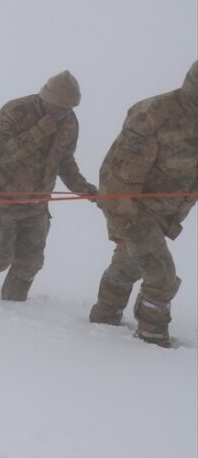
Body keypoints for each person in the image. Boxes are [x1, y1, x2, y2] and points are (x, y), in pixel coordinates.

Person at [0, 71, 98, 299]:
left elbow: (65, 161)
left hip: (37, 204)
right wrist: (39, 131)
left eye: (69, 108)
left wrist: (83, 188)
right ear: (46, 98)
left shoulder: (70, 122)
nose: (64, 113)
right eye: (59, 107)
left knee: (30, 263)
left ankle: (13, 310)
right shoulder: (15, 111)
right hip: (1, 198)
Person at [88, 61, 197, 347]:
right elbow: (120, 172)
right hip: (133, 208)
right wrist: (123, 222)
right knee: (161, 276)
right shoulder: (155, 114)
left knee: (128, 265)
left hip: (167, 212)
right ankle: (152, 340)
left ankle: (105, 315)